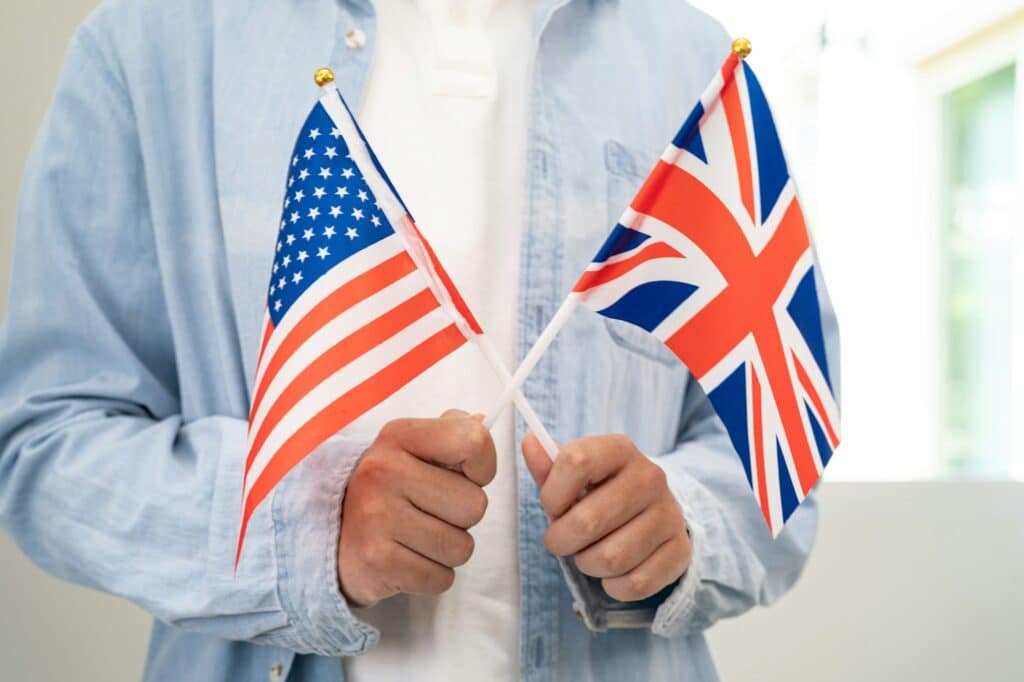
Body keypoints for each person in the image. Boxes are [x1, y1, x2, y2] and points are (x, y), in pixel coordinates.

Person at [0, 0, 837, 679]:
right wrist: (310, 529)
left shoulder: (689, 61)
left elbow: (781, 447)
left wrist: (683, 524)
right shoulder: (150, 44)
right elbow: (47, 440)